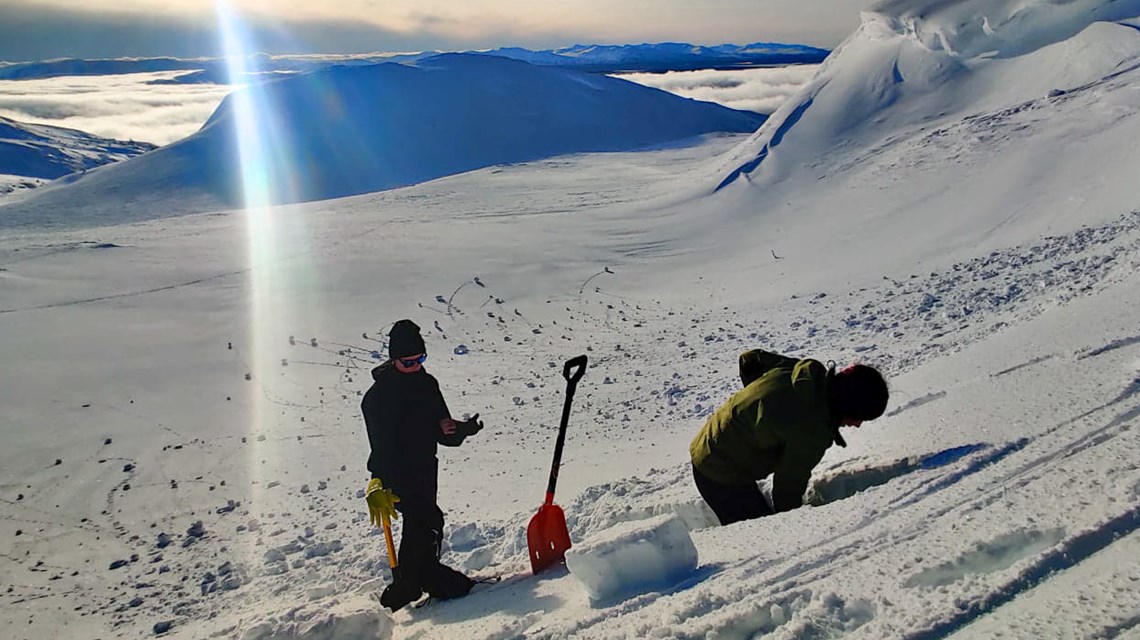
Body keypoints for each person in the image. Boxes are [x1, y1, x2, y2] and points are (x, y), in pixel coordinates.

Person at [361, 319, 484, 611]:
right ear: (394, 359)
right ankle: (423, 586)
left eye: (421, 359)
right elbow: (380, 445)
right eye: (408, 361)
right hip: (397, 475)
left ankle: (406, 586)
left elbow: (442, 430)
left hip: (426, 469)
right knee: (426, 521)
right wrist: (377, 479)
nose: (416, 365)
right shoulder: (376, 399)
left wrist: (459, 429)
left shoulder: (428, 385)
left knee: (422, 525)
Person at [690, 349, 888, 526]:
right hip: (718, 472)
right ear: (849, 406)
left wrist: (758, 404)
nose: (857, 425)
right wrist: (790, 526)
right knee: (762, 534)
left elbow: (749, 359)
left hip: (709, 439)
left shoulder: (803, 373)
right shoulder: (812, 429)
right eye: (860, 417)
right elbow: (788, 486)